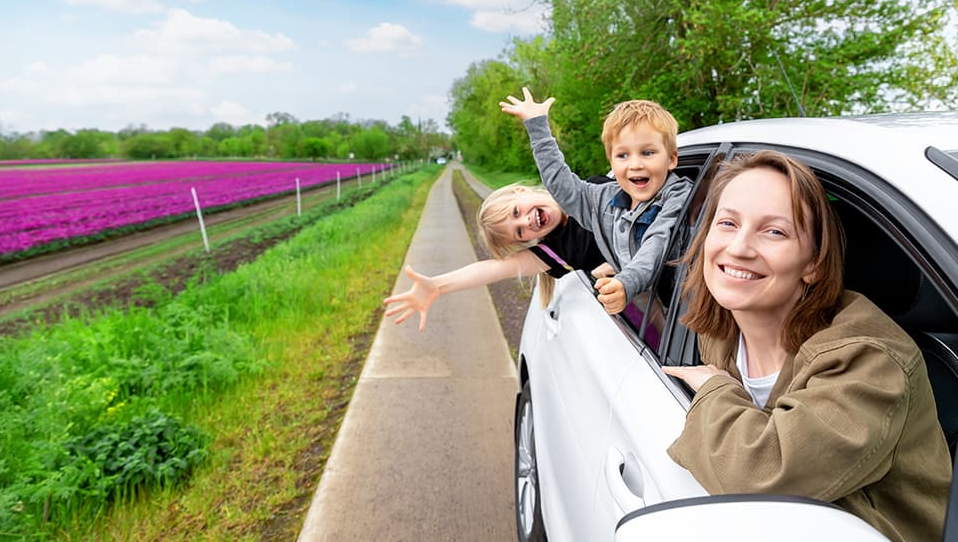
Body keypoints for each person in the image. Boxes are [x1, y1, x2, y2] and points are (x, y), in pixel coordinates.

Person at [662, 150, 950, 542]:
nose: (740, 247)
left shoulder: (870, 359)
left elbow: (763, 478)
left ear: (813, 262)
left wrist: (715, 390)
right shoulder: (720, 326)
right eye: (727, 223)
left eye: (775, 231)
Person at [500, 89, 692, 315]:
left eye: (647, 153)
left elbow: (656, 244)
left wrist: (625, 283)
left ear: (671, 159)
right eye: (623, 155)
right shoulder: (605, 199)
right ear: (611, 161)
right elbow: (563, 187)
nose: (635, 164)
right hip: (670, 315)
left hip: (697, 311)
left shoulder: (676, 195)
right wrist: (537, 126)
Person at [383, 181, 612, 331]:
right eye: (520, 232)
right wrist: (437, 285)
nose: (526, 221)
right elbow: (494, 268)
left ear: (522, 191)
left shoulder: (587, 186)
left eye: (515, 212)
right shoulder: (555, 252)